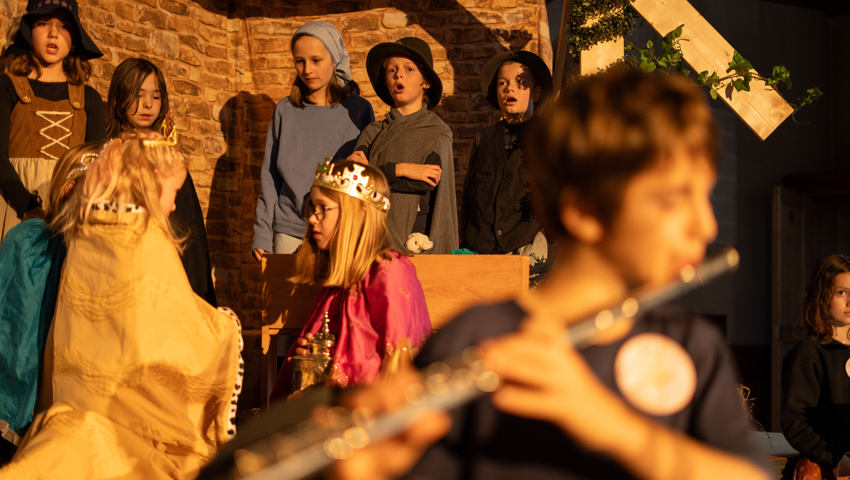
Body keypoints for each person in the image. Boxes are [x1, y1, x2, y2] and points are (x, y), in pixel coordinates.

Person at [398, 66, 769, 479]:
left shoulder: (691, 347)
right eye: (674, 198)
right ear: (585, 211)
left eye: (704, 195)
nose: (707, 226)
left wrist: (615, 428)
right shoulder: (474, 339)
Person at [0, 132, 244, 479]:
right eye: (174, 192)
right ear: (151, 184)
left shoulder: (91, 231)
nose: (174, 206)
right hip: (126, 419)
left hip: (76, 404)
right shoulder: (144, 240)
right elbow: (175, 331)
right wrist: (224, 329)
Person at [270, 159, 431, 400]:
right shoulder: (336, 284)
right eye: (312, 208)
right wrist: (308, 360)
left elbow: (401, 368)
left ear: (359, 213)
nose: (312, 218)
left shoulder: (390, 272)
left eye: (323, 208)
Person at [0, 141, 99, 465]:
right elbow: (11, 321)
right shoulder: (29, 240)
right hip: (14, 409)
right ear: (70, 189)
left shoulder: (99, 251)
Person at [252, 20, 374, 258]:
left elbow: (366, 176)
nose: (307, 69)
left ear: (335, 59)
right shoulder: (284, 110)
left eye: (316, 60)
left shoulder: (359, 110)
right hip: (289, 229)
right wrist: (263, 232)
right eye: (300, 61)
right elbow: (270, 176)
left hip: (341, 229)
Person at [106, 57, 217, 305]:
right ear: (119, 96)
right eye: (138, 95)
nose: (147, 104)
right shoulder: (107, 154)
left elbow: (190, 236)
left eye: (155, 97)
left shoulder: (168, 159)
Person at [0, 0, 106, 241]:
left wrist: (70, 207)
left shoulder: (89, 99)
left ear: (75, 37)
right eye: (43, 23)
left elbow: (96, 166)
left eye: (64, 26)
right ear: (28, 30)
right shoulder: (7, 87)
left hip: (68, 215)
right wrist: (28, 206)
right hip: (13, 208)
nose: (53, 33)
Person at [349, 37, 458, 254]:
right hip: (370, 239)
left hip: (413, 242)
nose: (399, 74)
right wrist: (403, 169)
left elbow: (426, 183)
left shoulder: (437, 132)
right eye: (392, 70)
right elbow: (353, 181)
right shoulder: (373, 132)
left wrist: (374, 173)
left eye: (409, 69)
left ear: (425, 82)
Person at [461, 50, 553, 282]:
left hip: (527, 251)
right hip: (481, 252)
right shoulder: (484, 138)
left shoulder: (547, 136)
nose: (509, 89)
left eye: (520, 83)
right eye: (502, 83)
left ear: (536, 92)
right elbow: (471, 196)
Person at [781, 254, 850, 479]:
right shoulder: (808, 353)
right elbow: (795, 423)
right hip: (827, 468)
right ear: (823, 296)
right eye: (842, 293)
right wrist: (836, 459)